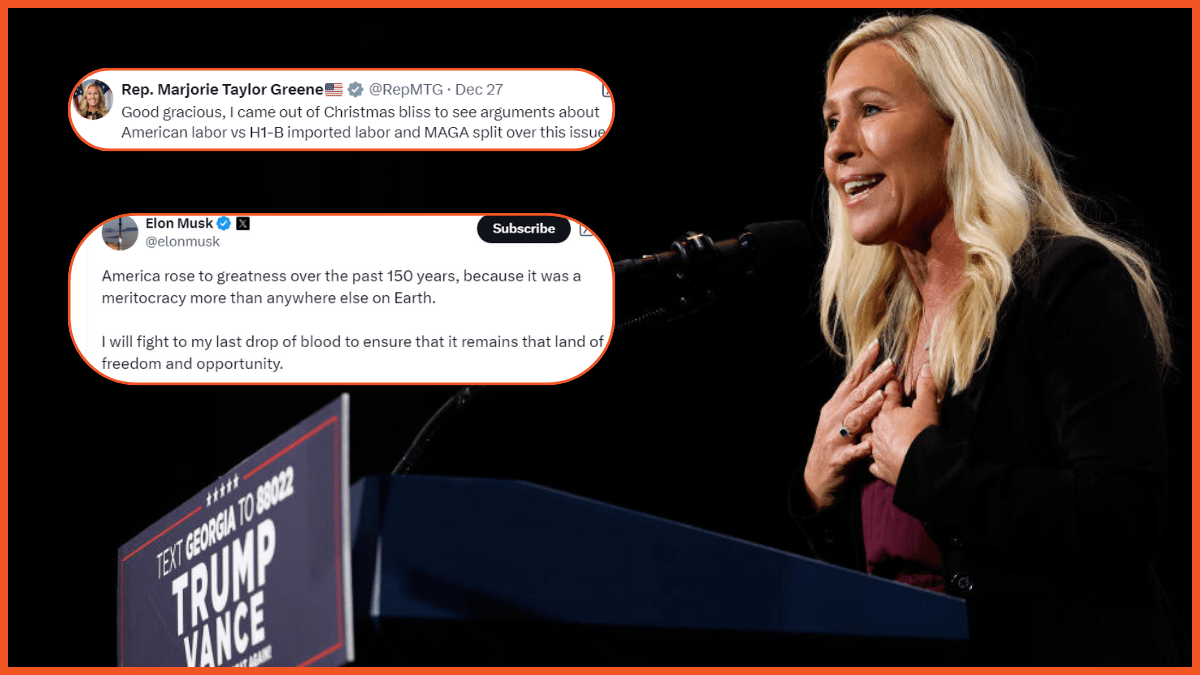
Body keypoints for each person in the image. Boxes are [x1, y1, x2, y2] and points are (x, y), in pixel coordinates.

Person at [789, 15, 1179, 665]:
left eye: (871, 110)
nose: (838, 148)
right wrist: (816, 493)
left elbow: (1122, 517)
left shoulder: (1066, 283)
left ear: (957, 126)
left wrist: (927, 466)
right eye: (831, 122)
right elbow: (888, 567)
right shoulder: (885, 334)